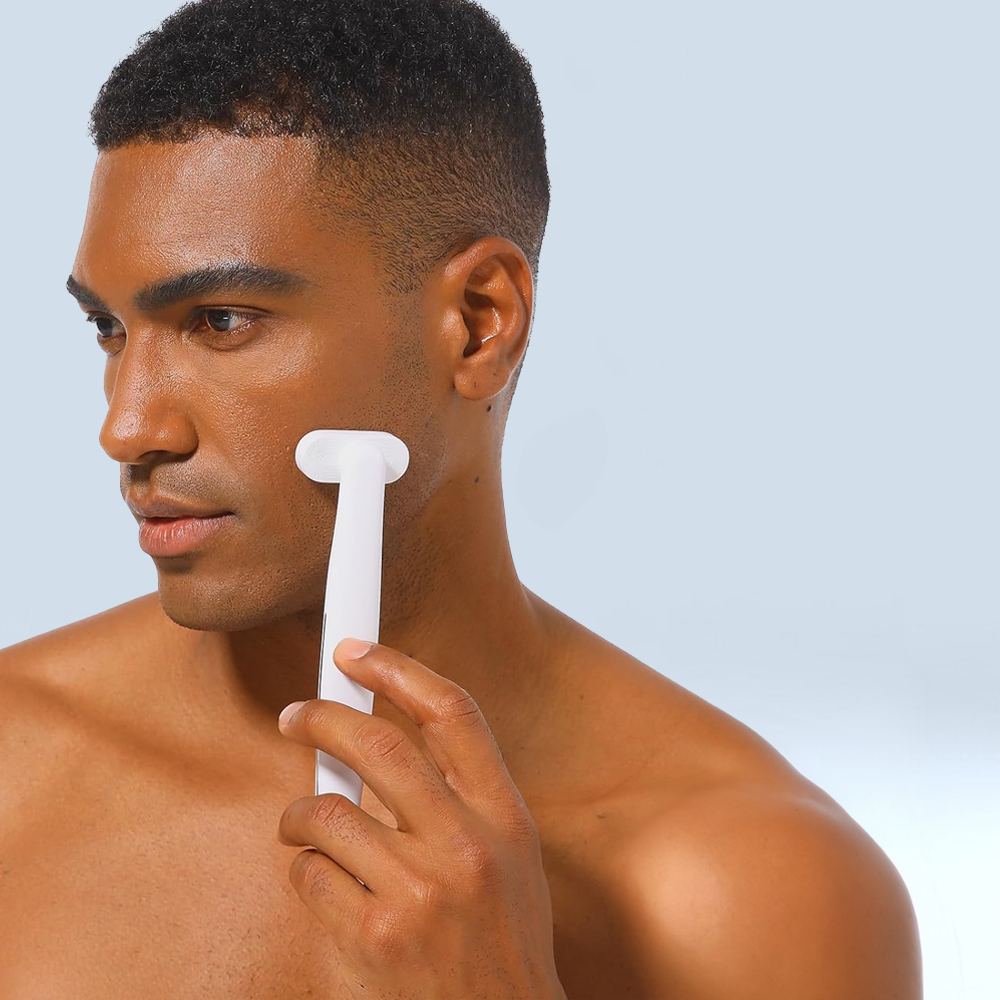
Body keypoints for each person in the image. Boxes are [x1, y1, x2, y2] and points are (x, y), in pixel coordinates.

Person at [0, 1, 922, 997]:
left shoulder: (758, 893)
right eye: (108, 329)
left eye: (219, 319)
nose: (128, 426)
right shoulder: (17, 769)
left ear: (479, 324)